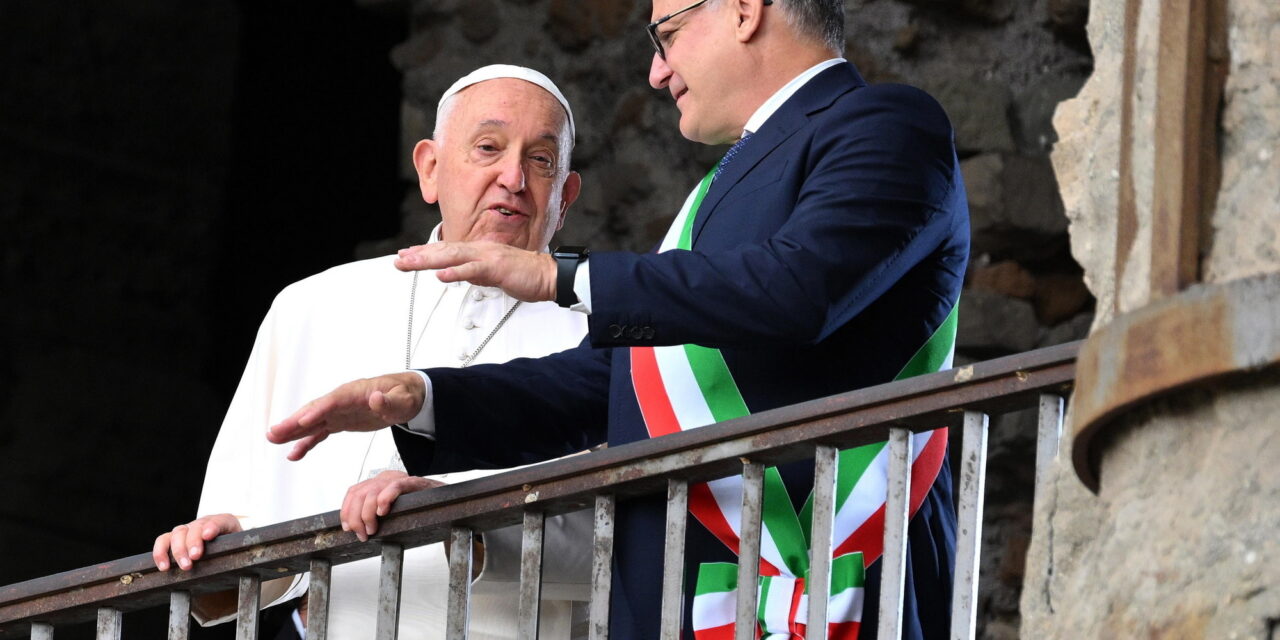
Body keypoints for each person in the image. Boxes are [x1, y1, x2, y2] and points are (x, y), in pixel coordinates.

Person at [269, 1, 969, 637]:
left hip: (828, 583)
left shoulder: (885, 122)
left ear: (745, 11)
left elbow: (799, 289)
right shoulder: (724, 184)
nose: (657, 71)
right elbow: (618, 384)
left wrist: (563, 276)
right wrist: (425, 399)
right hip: (686, 598)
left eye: (666, 35)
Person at [152, 65, 595, 640]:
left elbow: (628, 538)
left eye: (540, 160)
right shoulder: (312, 305)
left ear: (566, 195)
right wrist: (212, 547)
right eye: (488, 148)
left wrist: (464, 519)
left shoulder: (599, 334)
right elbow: (239, 538)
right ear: (430, 169)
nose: (512, 177)